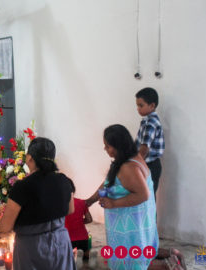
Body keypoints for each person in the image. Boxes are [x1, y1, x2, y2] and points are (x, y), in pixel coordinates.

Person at [86, 124, 159, 270]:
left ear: (118, 146)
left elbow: (143, 195)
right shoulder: (129, 159)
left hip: (129, 228)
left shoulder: (128, 167)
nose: (105, 149)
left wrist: (114, 203)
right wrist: (89, 201)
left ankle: (170, 264)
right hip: (136, 224)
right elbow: (108, 182)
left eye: (108, 146)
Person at [0, 137, 76, 270]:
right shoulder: (64, 180)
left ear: (29, 158)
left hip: (32, 247)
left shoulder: (22, 187)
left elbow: (5, 226)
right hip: (60, 242)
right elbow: (70, 210)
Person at [135, 87, 165, 194]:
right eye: (137, 105)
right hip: (147, 164)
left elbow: (144, 148)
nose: (138, 108)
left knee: (148, 199)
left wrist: (134, 164)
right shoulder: (146, 121)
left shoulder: (151, 123)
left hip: (150, 166)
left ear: (152, 105)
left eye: (141, 105)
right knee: (147, 199)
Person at [65, 180, 92, 265]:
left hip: (68, 240)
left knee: (66, 256)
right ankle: (87, 254)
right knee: (84, 251)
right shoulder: (82, 202)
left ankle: (75, 256)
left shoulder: (60, 205)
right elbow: (89, 219)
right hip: (83, 238)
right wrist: (80, 221)